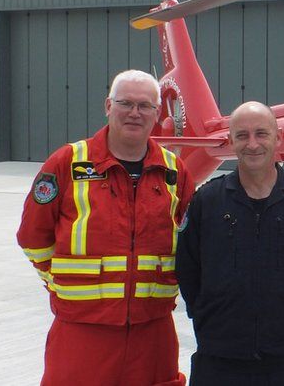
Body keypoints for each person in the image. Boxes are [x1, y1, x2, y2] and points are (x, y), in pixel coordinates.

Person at [17, 69, 194, 386]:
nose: (135, 113)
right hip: (82, 329)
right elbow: (33, 237)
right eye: (126, 103)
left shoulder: (174, 170)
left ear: (156, 114)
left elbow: (192, 243)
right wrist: (60, 284)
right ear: (108, 106)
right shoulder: (67, 163)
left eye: (145, 106)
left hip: (153, 329)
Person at [176, 101, 284, 385]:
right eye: (242, 135)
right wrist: (208, 315)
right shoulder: (206, 202)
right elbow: (188, 269)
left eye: (261, 133)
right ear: (230, 141)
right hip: (219, 360)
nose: (252, 144)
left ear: (278, 137)